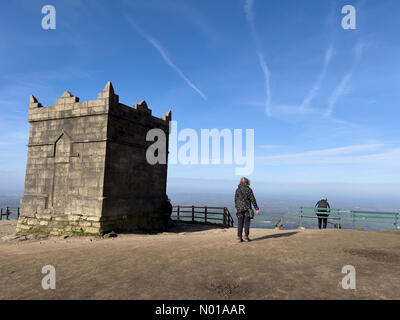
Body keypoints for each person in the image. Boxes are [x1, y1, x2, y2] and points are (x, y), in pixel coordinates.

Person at [234, 177, 259, 242]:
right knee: (247, 223)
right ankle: (246, 237)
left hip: (239, 209)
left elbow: (236, 200)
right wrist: (256, 208)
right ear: (247, 182)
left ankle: (239, 237)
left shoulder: (237, 190)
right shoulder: (249, 190)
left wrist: (236, 207)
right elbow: (253, 199)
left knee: (240, 223)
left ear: (240, 182)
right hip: (247, 208)